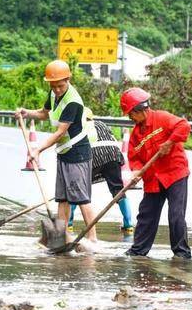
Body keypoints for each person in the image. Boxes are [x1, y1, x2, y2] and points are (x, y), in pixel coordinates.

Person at [14, 60, 97, 243]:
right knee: (63, 198)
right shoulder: (53, 93)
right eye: (53, 85)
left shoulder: (73, 101)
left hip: (78, 153)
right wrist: (27, 113)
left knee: (81, 198)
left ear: (68, 79)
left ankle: (93, 239)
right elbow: (44, 113)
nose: (57, 89)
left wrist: (38, 150)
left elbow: (60, 132)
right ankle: (60, 236)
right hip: (64, 152)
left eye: (60, 85)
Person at [121, 87, 192, 259]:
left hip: (174, 174)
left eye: (131, 114)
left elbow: (184, 126)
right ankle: (138, 250)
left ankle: (181, 253)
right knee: (147, 214)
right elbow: (134, 156)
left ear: (139, 110)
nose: (130, 118)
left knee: (176, 214)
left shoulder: (162, 118)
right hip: (153, 178)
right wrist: (137, 172)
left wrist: (170, 141)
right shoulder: (136, 133)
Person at [69, 108, 134, 235]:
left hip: (93, 155)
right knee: (118, 190)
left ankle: (68, 224)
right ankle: (128, 224)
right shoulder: (101, 124)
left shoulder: (77, 127)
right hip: (113, 155)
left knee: (76, 189)